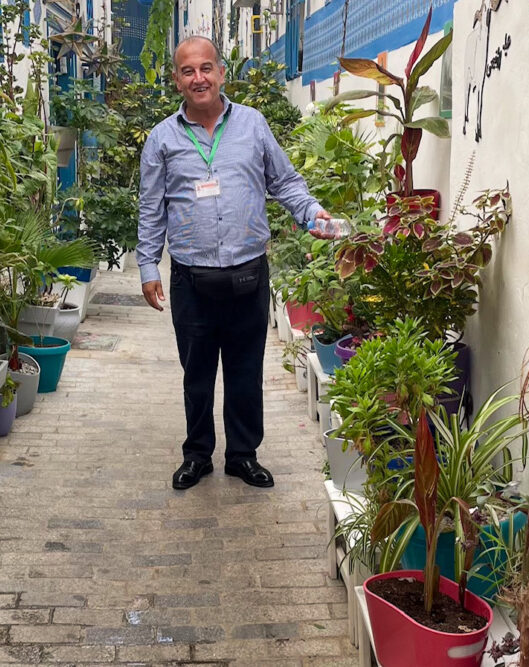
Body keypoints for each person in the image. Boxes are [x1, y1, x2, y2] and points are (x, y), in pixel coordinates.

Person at [137, 35, 331, 490]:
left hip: (247, 275)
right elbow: (150, 208)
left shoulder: (253, 125)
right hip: (191, 280)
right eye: (188, 71)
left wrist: (310, 213)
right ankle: (198, 455)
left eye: (206, 68)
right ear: (177, 81)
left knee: (245, 373)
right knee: (197, 375)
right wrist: (148, 267)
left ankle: (243, 455)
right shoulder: (162, 139)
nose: (198, 78)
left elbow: (284, 181)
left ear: (221, 73)